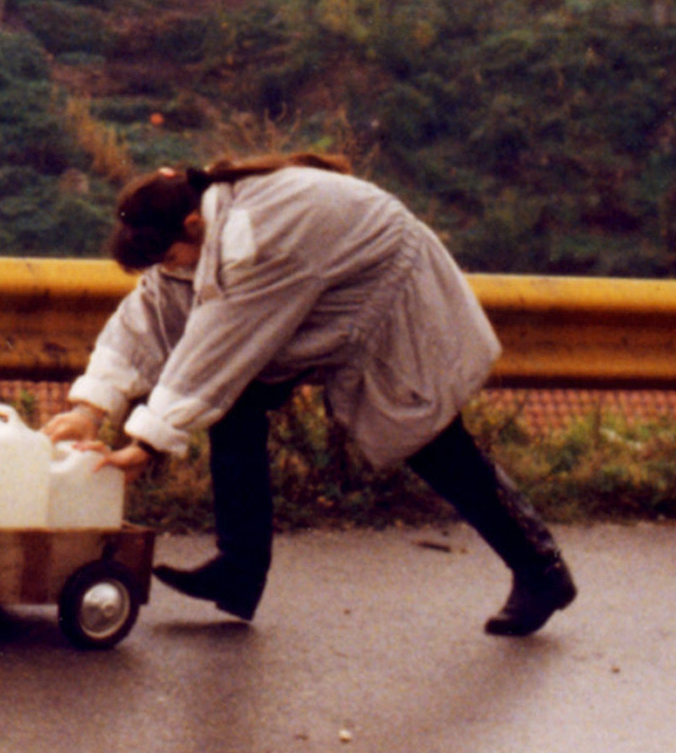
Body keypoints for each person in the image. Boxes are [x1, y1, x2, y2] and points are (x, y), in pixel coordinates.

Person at [42, 153, 577, 637]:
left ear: (191, 226)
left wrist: (146, 445)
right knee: (236, 405)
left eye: (171, 257)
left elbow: (215, 348)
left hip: (390, 296)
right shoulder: (199, 222)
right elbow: (150, 314)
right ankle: (238, 568)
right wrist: (91, 409)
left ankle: (541, 571)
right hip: (322, 294)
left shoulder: (251, 239)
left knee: (433, 444)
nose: (170, 269)